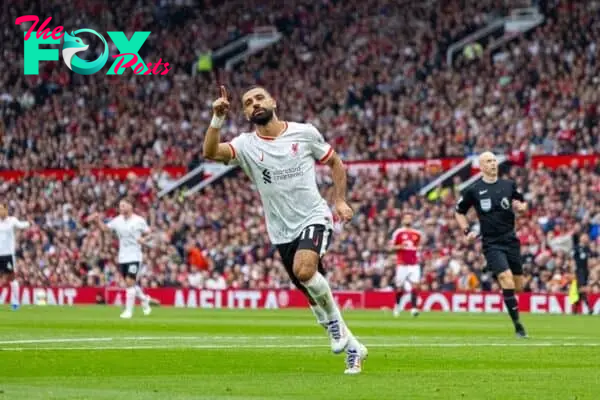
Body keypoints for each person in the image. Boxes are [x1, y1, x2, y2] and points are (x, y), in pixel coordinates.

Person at [202, 85, 367, 375]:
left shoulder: (304, 133)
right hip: (280, 231)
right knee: (311, 290)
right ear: (244, 112)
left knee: (305, 271)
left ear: (273, 100)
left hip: (314, 217)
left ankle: (333, 327)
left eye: (259, 98)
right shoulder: (245, 145)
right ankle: (354, 347)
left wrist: (339, 200)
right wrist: (217, 119)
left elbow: (336, 162)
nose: (255, 104)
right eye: (248, 102)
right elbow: (210, 151)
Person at [454, 152, 528, 338]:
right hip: (491, 242)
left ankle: (497, 275)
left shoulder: (508, 185)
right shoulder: (473, 190)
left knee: (518, 286)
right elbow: (459, 212)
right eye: (488, 161)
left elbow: (522, 203)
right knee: (506, 279)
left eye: (494, 160)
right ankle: (518, 326)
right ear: (481, 166)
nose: (493, 163)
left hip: (511, 240)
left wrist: (521, 208)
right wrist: (466, 231)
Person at [89, 199, 155, 319]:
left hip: (135, 256)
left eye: (123, 205)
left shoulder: (139, 220)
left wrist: (144, 240)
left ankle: (128, 311)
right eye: (120, 206)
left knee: (129, 283)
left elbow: (151, 234)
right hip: (123, 257)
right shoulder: (117, 220)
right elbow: (105, 229)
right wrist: (97, 220)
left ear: (130, 206)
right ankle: (145, 299)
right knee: (130, 283)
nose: (121, 208)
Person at [390, 212, 422, 317]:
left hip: (414, 264)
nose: (408, 220)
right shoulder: (398, 233)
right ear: (403, 220)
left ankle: (413, 308)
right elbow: (391, 247)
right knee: (399, 287)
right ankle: (397, 306)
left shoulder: (417, 234)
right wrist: (400, 246)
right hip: (402, 264)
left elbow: (419, 247)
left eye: (410, 218)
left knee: (415, 286)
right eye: (406, 218)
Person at [0, 204, 31, 310]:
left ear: (6, 209)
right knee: (3, 279)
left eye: (1, 209)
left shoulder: (12, 220)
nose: (0, 211)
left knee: (11, 278)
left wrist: (29, 222)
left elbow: (21, 225)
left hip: (8, 254)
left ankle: (16, 302)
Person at [572, 233, 594, 315]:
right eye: (584, 237)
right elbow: (573, 260)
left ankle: (575, 307)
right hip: (579, 271)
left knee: (580, 290)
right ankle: (588, 308)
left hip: (586, 271)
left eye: (587, 237)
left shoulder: (587, 248)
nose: (586, 238)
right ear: (581, 238)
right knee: (582, 288)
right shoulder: (576, 248)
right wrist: (573, 270)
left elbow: (591, 258)